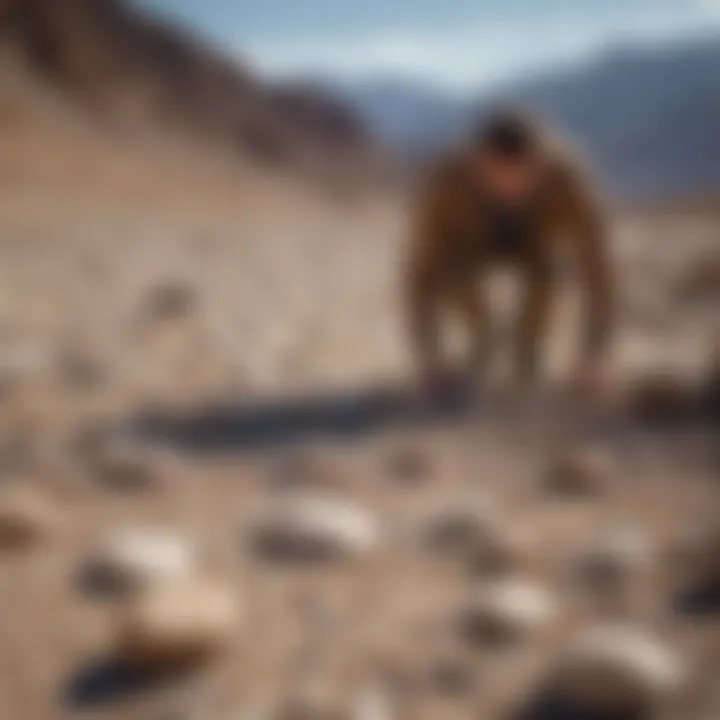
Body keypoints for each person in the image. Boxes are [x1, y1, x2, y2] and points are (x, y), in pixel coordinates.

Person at [404, 109, 614, 399]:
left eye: (520, 177)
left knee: (549, 273)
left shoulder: (568, 181)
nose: (508, 189)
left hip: (534, 247)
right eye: (496, 176)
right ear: (477, 166)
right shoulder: (447, 182)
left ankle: (526, 357)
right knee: (451, 272)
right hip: (470, 247)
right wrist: (429, 354)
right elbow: (420, 271)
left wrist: (592, 355)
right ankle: (484, 338)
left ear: (540, 167)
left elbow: (599, 271)